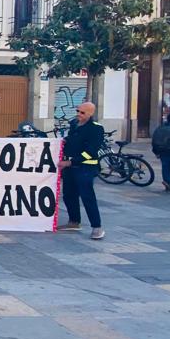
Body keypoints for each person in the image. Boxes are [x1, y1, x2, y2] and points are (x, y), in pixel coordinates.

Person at [59, 101, 104, 240]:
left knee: (87, 197)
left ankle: (97, 227)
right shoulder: (74, 124)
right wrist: (64, 142)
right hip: (70, 167)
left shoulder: (96, 129)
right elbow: (72, 140)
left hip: (86, 168)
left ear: (90, 114)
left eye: (82, 112)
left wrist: (71, 161)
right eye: (78, 111)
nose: (78, 114)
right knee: (68, 194)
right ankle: (74, 221)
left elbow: (90, 151)